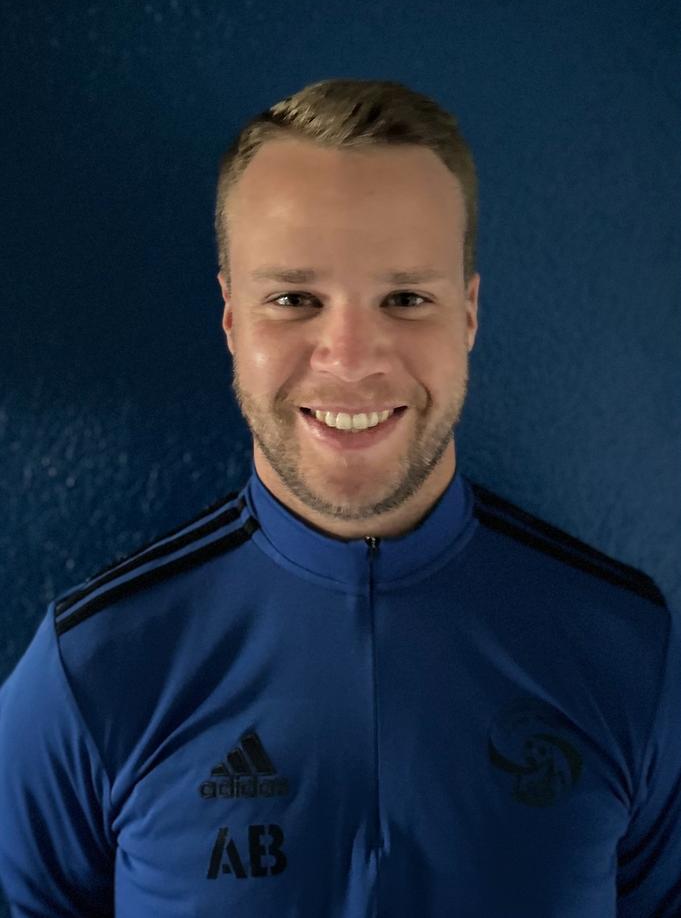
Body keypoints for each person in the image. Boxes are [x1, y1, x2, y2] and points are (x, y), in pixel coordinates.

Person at [0, 78, 679, 917]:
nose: (351, 359)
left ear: (467, 314)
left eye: (405, 298)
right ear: (231, 318)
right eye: (294, 300)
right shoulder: (92, 671)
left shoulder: (627, 654)